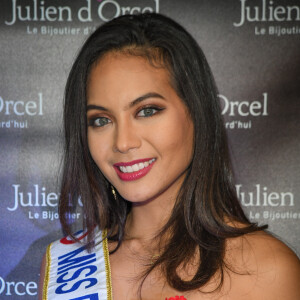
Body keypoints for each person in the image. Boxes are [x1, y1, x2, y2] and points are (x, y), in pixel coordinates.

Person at [39, 13, 300, 300]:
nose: (123, 143)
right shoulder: (66, 267)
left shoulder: (267, 271)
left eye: (147, 110)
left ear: (196, 113)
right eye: (101, 120)